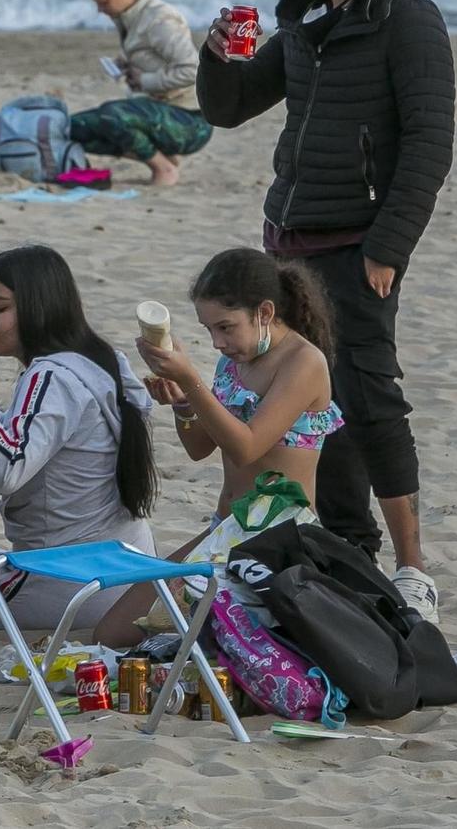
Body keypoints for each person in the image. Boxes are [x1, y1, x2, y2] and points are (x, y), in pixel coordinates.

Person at [197, 0, 454, 624]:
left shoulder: (408, 20)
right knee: (316, 400)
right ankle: (345, 545)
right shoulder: (308, 19)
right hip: (290, 243)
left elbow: (430, 144)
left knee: (371, 399)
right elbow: (233, 105)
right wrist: (216, 56)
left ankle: (413, 569)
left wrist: (389, 246)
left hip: (360, 242)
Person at [94, 247, 342, 647]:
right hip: (225, 528)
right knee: (113, 632)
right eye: (208, 329)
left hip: (275, 539)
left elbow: (247, 447)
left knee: (160, 637)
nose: (216, 342)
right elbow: (199, 447)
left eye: (225, 327)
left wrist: (191, 379)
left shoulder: (303, 361)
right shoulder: (236, 359)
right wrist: (183, 404)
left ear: (264, 312)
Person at [0, 245, 159, 633]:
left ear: (38, 307)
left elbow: (7, 469)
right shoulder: (106, 360)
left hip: (70, 582)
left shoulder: (50, 375)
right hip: (133, 569)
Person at [70, 0, 214, 186]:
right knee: (72, 127)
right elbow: (155, 64)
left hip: (190, 120)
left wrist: (145, 80)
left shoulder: (159, 19)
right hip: (157, 109)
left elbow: (193, 70)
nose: (100, 10)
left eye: (104, 2)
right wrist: (130, 68)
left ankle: (163, 167)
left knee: (111, 115)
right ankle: (161, 153)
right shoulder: (129, 16)